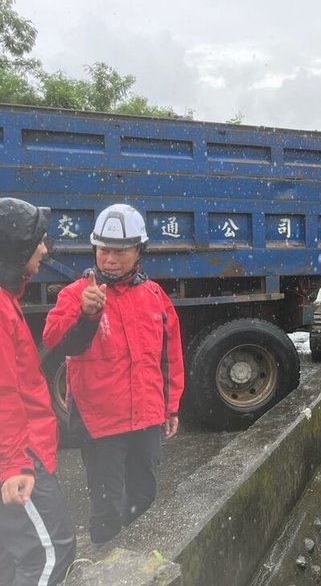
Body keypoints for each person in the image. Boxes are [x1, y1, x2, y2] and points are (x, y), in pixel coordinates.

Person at [43, 203, 184, 546]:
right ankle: (106, 565)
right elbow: (56, 342)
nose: (110, 258)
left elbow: (170, 357)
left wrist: (171, 406)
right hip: (101, 423)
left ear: (139, 252)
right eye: (104, 249)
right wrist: (85, 314)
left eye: (121, 250)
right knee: (105, 509)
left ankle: (136, 560)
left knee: (145, 498)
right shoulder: (77, 294)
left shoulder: (155, 296)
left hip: (148, 418)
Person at [0, 198, 76, 585]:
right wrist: (14, 464)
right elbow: (3, 392)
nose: (45, 249)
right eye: (37, 242)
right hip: (18, 455)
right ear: (14, 250)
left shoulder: (7, 296)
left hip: (19, 451)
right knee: (51, 552)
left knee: (11, 559)